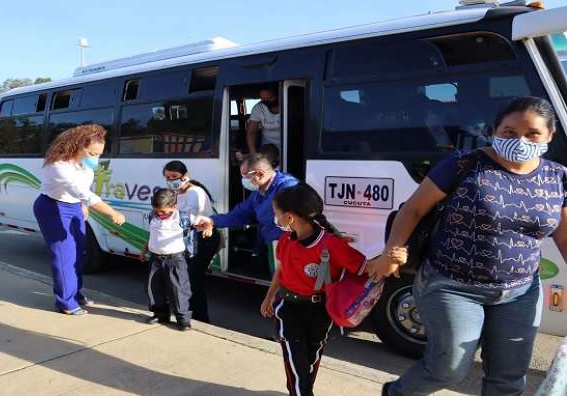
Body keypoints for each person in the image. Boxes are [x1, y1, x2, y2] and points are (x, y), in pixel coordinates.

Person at [368, 96, 567, 396]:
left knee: (509, 378)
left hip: (521, 291)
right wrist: (391, 251)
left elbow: (564, 236)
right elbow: (413, 210)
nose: (520, 141)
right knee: (448, 368)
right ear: (494, 131)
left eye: (532, 134)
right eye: (509, 133)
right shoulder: (464, 163)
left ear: (549, 136)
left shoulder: (558, 178)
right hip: (451, 285)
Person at [259, 183, 408, 396]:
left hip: (320, 312)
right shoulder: (285, 240)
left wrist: (394, 258)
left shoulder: (332, 244)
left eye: (277, 215)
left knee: (310, 362)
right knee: (295, 365)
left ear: (290, 217)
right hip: (288, 309)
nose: (276, 219)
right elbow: (281, 271)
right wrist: (269, 296)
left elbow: (369, 268)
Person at [33, 124, 126, 316]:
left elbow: (82, 192)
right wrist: (111, 212)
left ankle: (75, 292)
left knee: (77, 253)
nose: (96, 159)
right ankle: (65, 302)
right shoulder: (58, 165)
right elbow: (80, 190)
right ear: (77, 146)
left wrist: (81, 205)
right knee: (64, 255)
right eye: (92, 153)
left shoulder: (84, 164)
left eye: (99, 154)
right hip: (53, 208)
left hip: (74, 206)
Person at [198, 153, 299, 274]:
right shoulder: (259, 191)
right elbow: (240, 214)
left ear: (260, 173)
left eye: (245, 176)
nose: (243, 180)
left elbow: (290, 221)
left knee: (289, 285)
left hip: (292, 247)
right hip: (275, 246)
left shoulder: (287, 187)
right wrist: (212, 220)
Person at [141, 189, 212, 331]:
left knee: (178, 290)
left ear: (175, 206)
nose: (160, 214)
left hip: (175, 260)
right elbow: (152, 236)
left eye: (164, 212)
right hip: (155, 259)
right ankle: (160, 314)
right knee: (154, 289)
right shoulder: (152, 216)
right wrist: (144, 251)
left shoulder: (183, 217)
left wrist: (208, 227)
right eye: (157, 211)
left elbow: (207, 221)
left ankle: (183, 319)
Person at [162, 160, 219, 323]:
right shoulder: (176, 193)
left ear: (185, 176)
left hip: (203, 238)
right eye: (168, 177)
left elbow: (188, 218)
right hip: (188, 239)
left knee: (194, 279)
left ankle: (201, 319)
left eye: (175, 176)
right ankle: (189, 314)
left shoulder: (195, 192)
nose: (171, 180)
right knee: (186, 278)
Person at [247, 87, 282, 154]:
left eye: (269, 98)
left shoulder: (288, 105)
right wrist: (253, 153)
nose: (266, 101)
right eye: (263, 99)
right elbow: (252, 132)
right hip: (267, 147)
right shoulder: (258, 108)